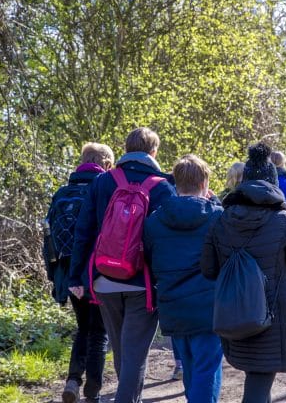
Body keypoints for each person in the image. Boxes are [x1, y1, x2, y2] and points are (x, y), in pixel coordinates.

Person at [201, 142, 286, 403]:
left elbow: (208, 269)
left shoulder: (222, 218)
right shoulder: (282, 220)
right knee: (259, 381)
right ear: (273, 183)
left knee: (256, 378)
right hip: (272, 313)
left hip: (234, 312)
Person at [69, 127, 176, 403]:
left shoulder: (102, 182)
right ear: (154, 152)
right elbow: (167, 240)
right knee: (135, 354)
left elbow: (83, 230)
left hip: (104, 279)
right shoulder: (162, 186)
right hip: (143, 283)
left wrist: (77, 276)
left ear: (126, 149)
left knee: (122, 352)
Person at [145, 155, 224, 402]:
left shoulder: (154, 220)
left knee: (190, 366)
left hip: (172, 303)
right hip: (208, 303)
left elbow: (149, 258)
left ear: (175, 182)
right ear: (204, 183)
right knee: (207, 368)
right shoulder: (217, 216)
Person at [46, 143, 114, 403]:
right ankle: (93, 392)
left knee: (83, 327)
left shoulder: (62, 192)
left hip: (68, 272)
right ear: (106, 164)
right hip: (98, 269)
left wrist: (56, 278)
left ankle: (73, 380)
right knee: (99, 331)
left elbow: (48, 237)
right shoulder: (105, 188)